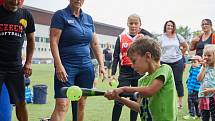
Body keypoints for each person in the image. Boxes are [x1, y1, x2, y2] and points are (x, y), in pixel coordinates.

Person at [49, 0, 105, 121]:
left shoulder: (89, 19)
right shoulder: (60, 15)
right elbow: (53, 41)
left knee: (81, 104)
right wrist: (58, 65)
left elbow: (95, 44)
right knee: (62, 105)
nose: (78, 0)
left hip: (86, 67)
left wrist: (102, 65)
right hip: (66, 66)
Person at [105, 37, 177, 121]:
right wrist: (118, 98)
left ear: (148, 56)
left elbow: (150, 91)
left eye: (134, 61)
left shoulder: (165, 69)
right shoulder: (142, 81)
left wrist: (123, 89)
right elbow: (140, 107)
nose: (132, 65)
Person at [0, 0, 35, 121]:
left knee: (21, 102)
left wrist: (28, 62)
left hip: (15, 68)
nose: (15, 2)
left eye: (18, 0)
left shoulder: (26, 15)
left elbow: (31, 40)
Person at [109, 14, 145, 121]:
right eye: (131, 23)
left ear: (140, 25)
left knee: (135, 99)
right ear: (127, 24)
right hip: (125, 72)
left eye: (136, 23)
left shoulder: (143, 38)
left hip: (139, 72)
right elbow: (115, 57)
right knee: (119, 98)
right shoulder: (121, 38)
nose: (133, 26)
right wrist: (112, 75)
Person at [158, 20, 188, 108]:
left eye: (171, 25)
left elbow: (186, 46)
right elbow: (157, 49)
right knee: (163, 81)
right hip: (164, 62)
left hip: (177, 62)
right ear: (165, 27)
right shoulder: (161, 37)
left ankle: (180, 102)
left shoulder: (178, 36)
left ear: (173, 27)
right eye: (168, 25)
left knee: (178, 81)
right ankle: (164, 100)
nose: (170, 27)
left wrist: (181, 54)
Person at [197, 45, 215, 121]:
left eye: (209, 55)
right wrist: (203, 68)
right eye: (205, 55)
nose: (206, 57)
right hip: (204, 96)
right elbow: (199, 79)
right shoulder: (204, 67)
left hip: (213, 96)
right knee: (205, 117)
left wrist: (212, 90)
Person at [183, 55, 202, 120]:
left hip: (193, 89)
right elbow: (190, 78)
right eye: (192, 62)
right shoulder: (194, 69)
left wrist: (190, 88)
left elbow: (194, 81)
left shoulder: (197, 70)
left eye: (195, 62)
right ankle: (198, 114)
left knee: (191, 102)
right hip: (195, 89)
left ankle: (192, 114)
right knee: (196, 102)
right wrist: (187, 82)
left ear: (200, 63)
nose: (193, 63)